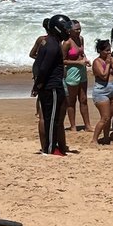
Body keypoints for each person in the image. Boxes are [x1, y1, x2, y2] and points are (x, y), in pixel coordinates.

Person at [32, 14, 71, 156]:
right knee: (51, 118)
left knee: (53, 118)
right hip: (51, 86)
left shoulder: (49, 42)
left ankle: (53, 147)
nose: (68, 31)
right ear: (58, 29)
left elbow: (38, 65)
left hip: (51, 86)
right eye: (65, 28)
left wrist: (37, 85)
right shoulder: (53, 45)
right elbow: (43, 68)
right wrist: (38, 85)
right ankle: (50, 149)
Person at [91, 39, 113, 145]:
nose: (109, 52)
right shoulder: (97, 62)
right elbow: (104, 76)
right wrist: (108, 64)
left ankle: (106, 137)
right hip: (101, 91)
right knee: (105, 117)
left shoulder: (111, 59)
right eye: (106, 51)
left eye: (109, 50)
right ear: (100, 51)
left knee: (111, 115)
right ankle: (94, 139)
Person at [63, 20, 92, 132]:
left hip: (82, 70)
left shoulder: (81, 39)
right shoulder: (67, 43)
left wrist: (85, 59)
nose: (79, 31)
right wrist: (77, 63)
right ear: (69, 30)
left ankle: (87, 125)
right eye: (76, 29)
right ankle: (73, 126)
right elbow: (62, 60)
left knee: (83, 99)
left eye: (80, 28)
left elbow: (81, 53)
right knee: (71, 100)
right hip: (72, 72)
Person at [29, 18, 50, 123]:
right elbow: (31, 54)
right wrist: (43, 59)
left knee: (43, 89)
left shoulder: (52, 40)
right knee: (40, 88)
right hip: (39, 67)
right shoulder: (42, 39)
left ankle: (39, 111)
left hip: (42, 66)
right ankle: (38, 112)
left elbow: (32, 54)